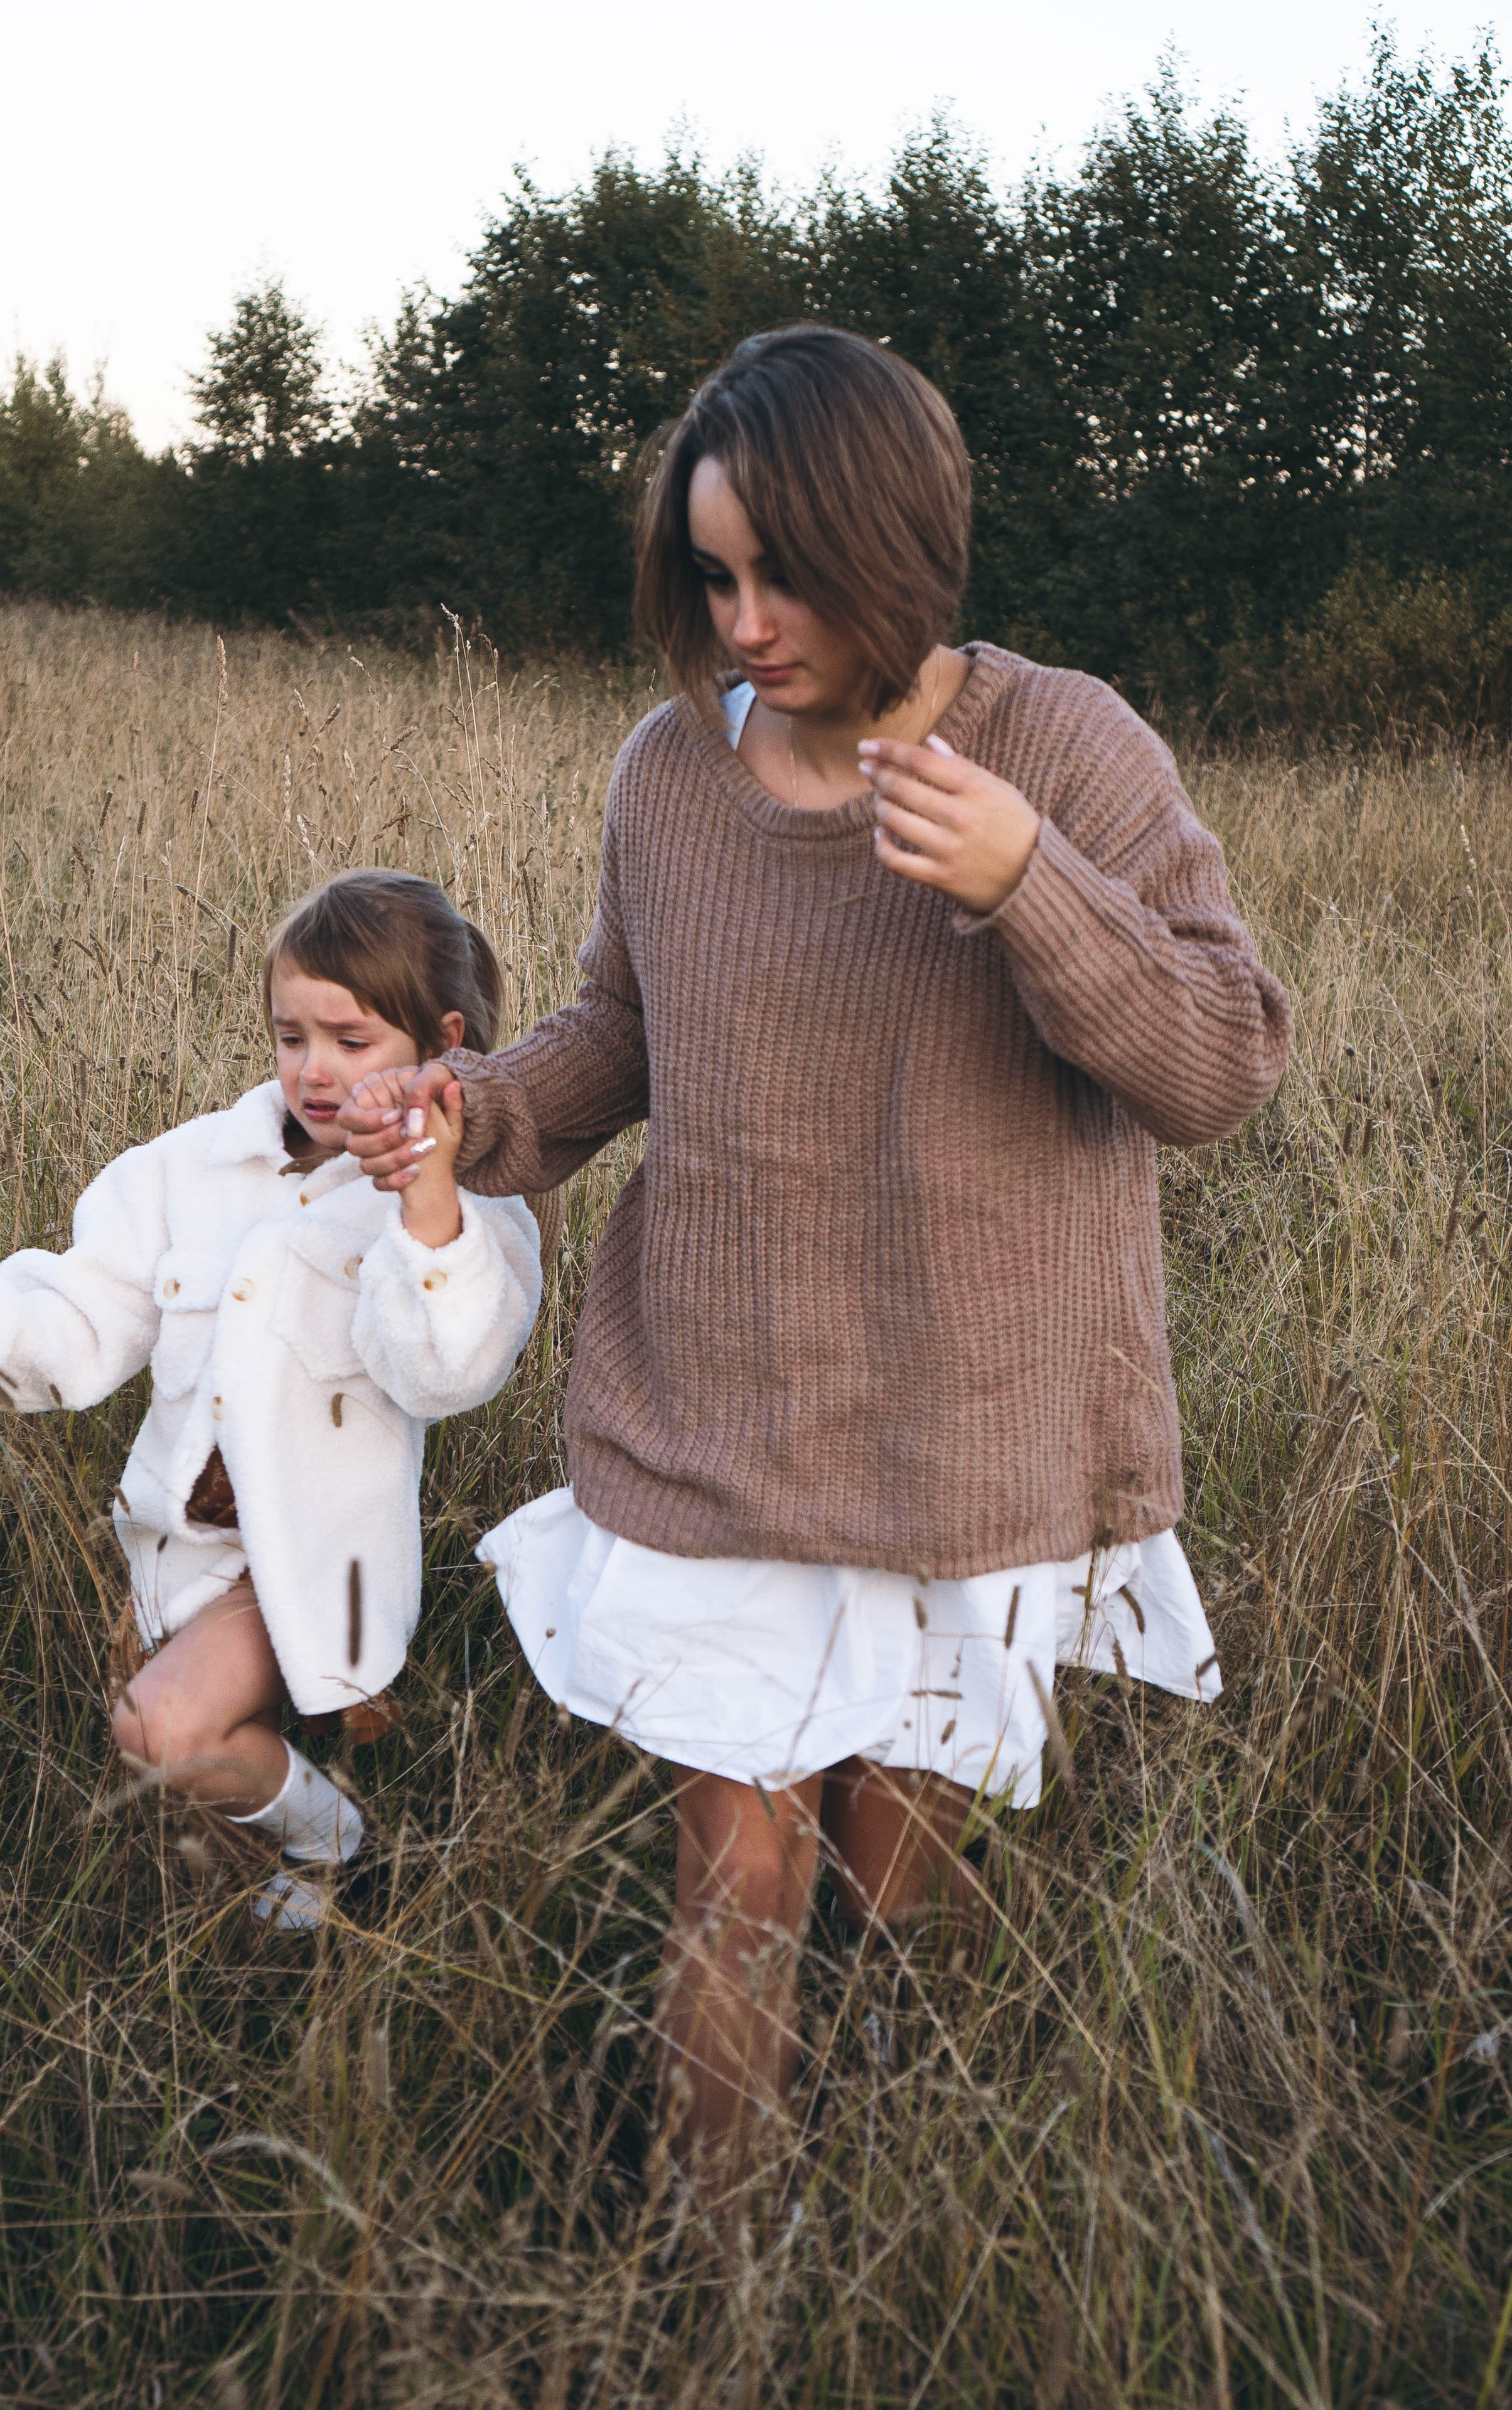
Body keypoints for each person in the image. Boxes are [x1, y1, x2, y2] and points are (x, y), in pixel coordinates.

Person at [341, 326, 1293, 2166]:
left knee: (900, 1862)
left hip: (967, 1426)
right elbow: (622, 1027)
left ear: (898, 543)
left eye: (786, 571)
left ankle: (900, 2197)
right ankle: (721, 2274)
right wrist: (480, 1113)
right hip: (721, 1411)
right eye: (714, 573)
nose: (746, 620)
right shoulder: (669, 776)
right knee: (739, 1861)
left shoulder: (1063, 746)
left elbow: (1222, 1065)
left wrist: (1033, 882)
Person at [0, 869, 544, 1930]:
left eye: (352, 1041)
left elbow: (450, 1369)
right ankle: (278, 1911)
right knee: (172, 1809)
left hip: (302, 1560)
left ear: (443, 1042)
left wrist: (426, 1203)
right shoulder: (189, 1170)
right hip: (172, 1548)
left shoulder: (461, 1213)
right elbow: (81, 1310)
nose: (316, 1072)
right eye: (292, 1038)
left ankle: (345, 1843)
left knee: (162, 1733)